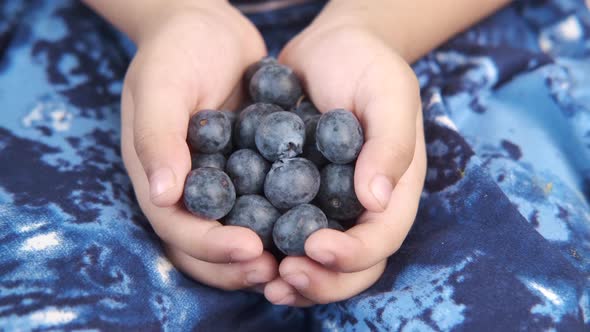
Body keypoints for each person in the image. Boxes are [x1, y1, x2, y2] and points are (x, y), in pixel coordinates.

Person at [1, 0, 588, 330]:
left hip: (429, 28)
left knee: (517, 306)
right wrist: (169, 14)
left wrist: (372, 26)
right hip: (118, 35)